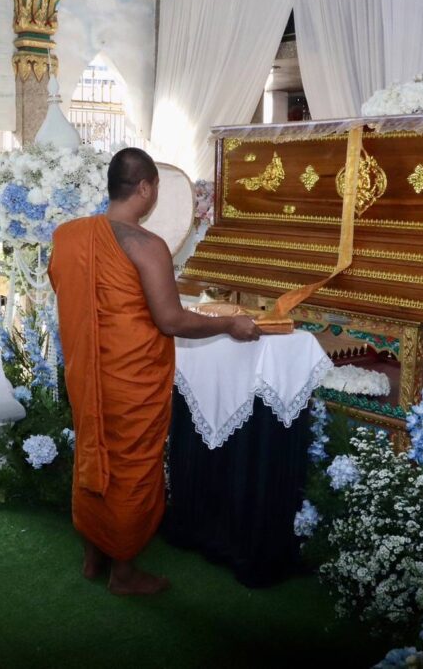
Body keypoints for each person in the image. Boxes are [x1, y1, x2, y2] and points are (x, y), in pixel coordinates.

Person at [48, 147, 261, 596]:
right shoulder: (146, 245)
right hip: (131, 378)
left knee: (94, 453)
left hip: (88, 372)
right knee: (131, 468)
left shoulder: (68, 236)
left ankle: (94, 554)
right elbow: (171, 320)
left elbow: (74, 293)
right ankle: (124, 572)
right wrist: (229, 324)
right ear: (145, 188)